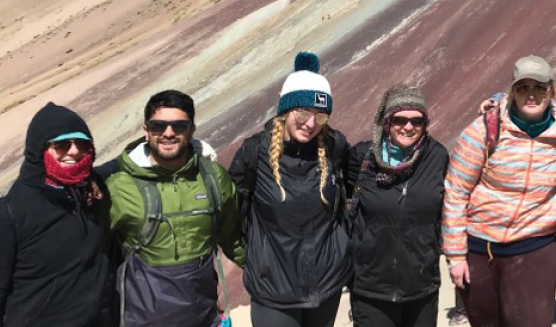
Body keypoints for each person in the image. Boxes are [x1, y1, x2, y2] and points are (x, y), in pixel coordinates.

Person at [442, 55, 556, 327]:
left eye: (540, 88)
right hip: (482, 250)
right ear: (512, 90)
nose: (532, 95)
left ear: (551, 90)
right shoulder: (483, 130)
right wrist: (456, 257)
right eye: (523, 87)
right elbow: (456, 192)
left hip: (535, 247)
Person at [229, 52, 351, 327]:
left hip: (326, 286)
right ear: (286, 109)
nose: (311, 124)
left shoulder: (335, 147)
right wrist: (254, 260)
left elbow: (357, 186)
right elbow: (230, 214)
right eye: (304, 113)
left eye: (320, 117)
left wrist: (341, 248)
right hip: (274, 293)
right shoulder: (254, 153)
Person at [107, 90, 244, 327]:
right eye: (159, 125)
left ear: (191, 130)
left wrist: (270, 279)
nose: (168, 133)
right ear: (146, 130)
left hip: (204, 317)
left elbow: (233, 239)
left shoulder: (213, 178)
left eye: (178, 126)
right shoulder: (119, 187)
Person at [0, 103, 113, 327]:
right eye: (62, 144)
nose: (74, 151)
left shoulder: (91, 193)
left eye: (82, 144)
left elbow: (120, 164)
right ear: (39, 151)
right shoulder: (6, 216)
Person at [344, 84, 449, 327]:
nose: (409, 127)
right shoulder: (363, 158)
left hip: (422, 288)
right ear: (387, 122)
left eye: (417, 121)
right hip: (371, 289)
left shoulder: (437, 157)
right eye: (400, 119)